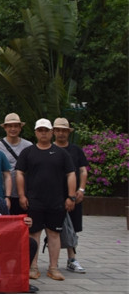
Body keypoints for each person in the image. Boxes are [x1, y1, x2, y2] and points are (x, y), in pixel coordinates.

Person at [16, 118, 76, 281]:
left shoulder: (61, 153)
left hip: (56, 201)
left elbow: (71, 174)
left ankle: (53, 268)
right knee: (34, 233)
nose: (43, 133)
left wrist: (71, 196)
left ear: (52, 132)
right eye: (40, 130)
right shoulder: (28, 152)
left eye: (46, 130)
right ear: (36, 132)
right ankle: (33, 267)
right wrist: (22, 195)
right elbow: (19, 173)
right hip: (34, 200)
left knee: (54, 234)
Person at [52, 117, 89, 274]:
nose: (61, 133)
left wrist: (81, 189)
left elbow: (83, 170)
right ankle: (49, 263)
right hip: (52, 195)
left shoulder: (75, 150)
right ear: (53, 132)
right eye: (58, 130)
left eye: (64, 130)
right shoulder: (47, 148)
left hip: (72, 194)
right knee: (50, 228)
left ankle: (71, 258)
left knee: (72, 226)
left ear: (68, 132)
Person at [0, 113, 33, 215]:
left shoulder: (28, 146)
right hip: (3, 193)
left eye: (16, 126)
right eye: (10, 126)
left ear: (20, 128)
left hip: (24, 193)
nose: (13, 129)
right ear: (5, 128)